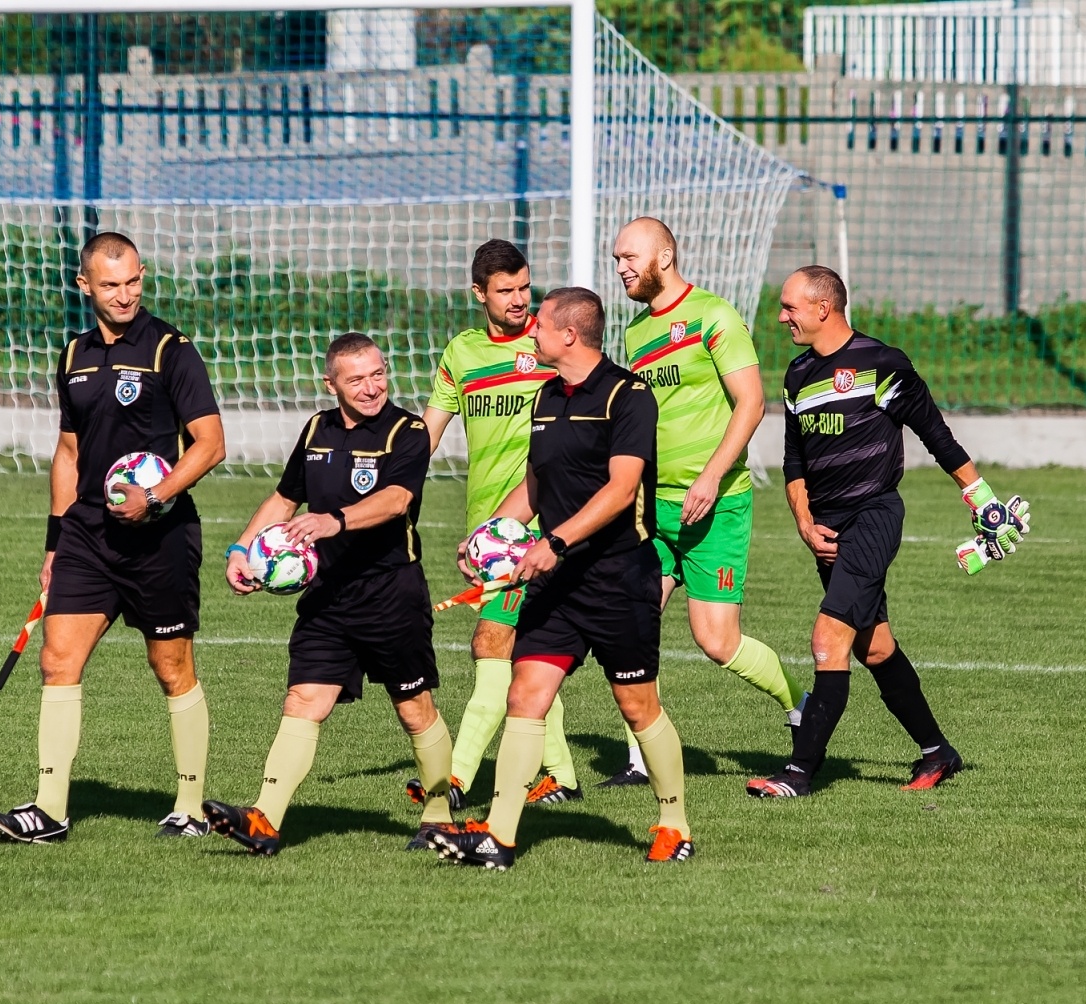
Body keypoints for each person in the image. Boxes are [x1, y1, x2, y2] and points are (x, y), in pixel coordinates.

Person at [432, 288, 694, 870]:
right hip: (556, 583)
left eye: (541, 326)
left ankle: (674, 823)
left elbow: (621, 490)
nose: (532, 334)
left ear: (569, 335)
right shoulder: (546, 396)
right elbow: (536, 482)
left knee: (637, 706)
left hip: (619, 577)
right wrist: (491, 532)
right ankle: (499, 837)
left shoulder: (629, 396)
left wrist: (554, 541)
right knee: (525, 693)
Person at [0, 231, 226, 843]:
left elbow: (211, 444)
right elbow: (68, 453)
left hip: (159, 536)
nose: (125, 294)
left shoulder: (172, 350)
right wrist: (55, 544)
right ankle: (49, 810)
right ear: (85, 285)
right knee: (57, 659)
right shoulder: (72, 356)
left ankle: (190, 807)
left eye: (134, 281)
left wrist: (157, 494)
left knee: (171, 667)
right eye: (111, 284)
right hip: (88, 535)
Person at [749, 265, 1030, 798]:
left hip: (874, 516)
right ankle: (937, 752)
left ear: (823, 308)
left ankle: (799, 773)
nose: (781, 316)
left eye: (790, 307)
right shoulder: (797, 374)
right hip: (825, 529)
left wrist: (982, 499)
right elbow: (793, 462)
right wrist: (805, 523)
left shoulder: (881, 363)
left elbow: (936, 434)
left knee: (827, 639)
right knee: (874, 648)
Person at [203, 333, 461, 856]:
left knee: (414, 708)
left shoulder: (406, 431)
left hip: (391, 593)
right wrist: (241, 548)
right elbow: (284, 497)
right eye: (357, 379)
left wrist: (332, 521)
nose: (372, 387)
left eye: (378, 374)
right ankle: (264, 820)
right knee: (304, 700)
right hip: (327, 597)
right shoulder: (317, 428)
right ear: (332, 384)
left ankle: (439, 817)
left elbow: (395, 500)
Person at [600, 217, 807, 788]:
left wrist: (712, 477)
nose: (620, 267)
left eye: (629, 257)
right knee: (634, 624)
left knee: (716, 641)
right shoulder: (637, 334)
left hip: (716, 505)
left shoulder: (714, 316)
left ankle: (799, 706)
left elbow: (751, 403)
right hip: (654, 507)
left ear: (663, 256)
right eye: (616, 258)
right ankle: (642, 757)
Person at [411, 238, 582, 815]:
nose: (518, 299)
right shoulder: (462, 355)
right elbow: (425, 436)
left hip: (543, 529)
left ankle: (453, 779)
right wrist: (394, 492)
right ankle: (560, 773)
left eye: (523, 286)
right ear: (479, 293)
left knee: (491, 642)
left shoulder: (552, 342)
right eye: (504, 290)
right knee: (527, 653)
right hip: (487, 530)